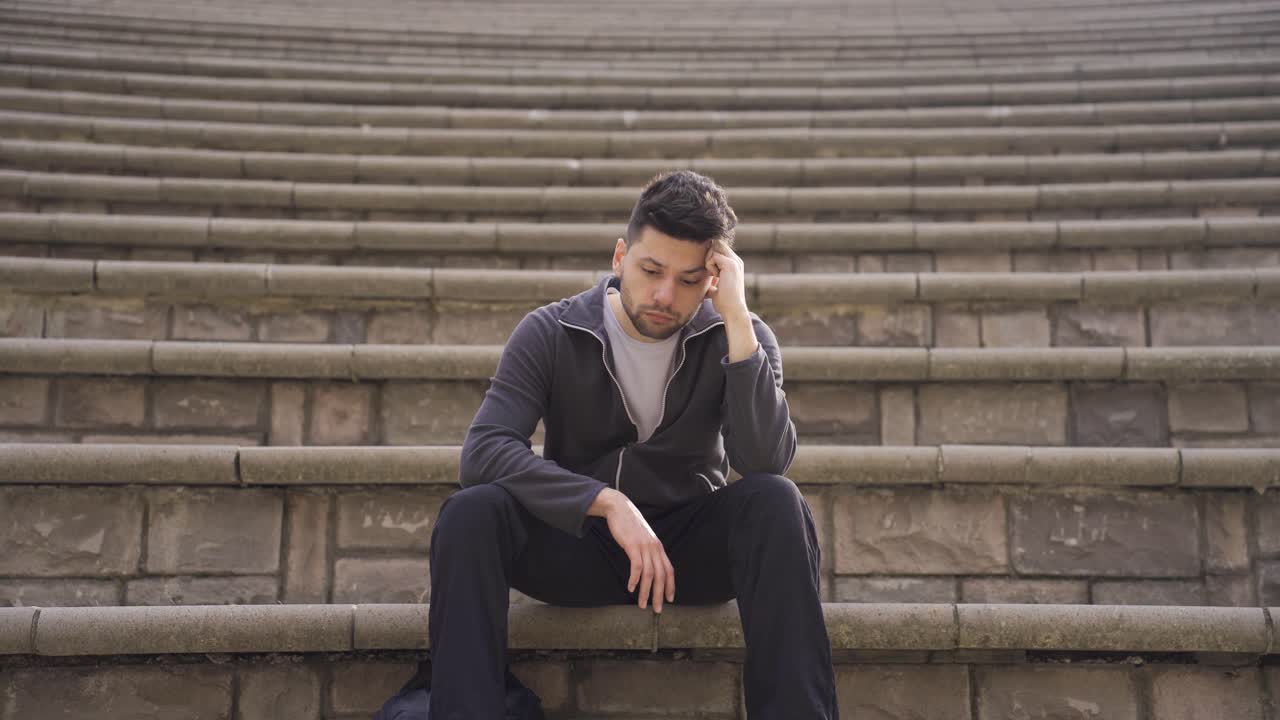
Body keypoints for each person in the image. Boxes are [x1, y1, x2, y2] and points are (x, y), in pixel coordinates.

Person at [428, 169, 839, 719]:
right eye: (651, 270)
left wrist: (738, 321)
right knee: (471, 513)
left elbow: (764, 460)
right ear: (620, 255)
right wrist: (604, 502)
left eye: (690, 280)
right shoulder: (551, 331)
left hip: (686, 551)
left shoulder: (741, 337)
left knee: (777, 502)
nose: (666, 295)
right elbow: (483, 453)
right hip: (580, 543)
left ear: (715, 278)